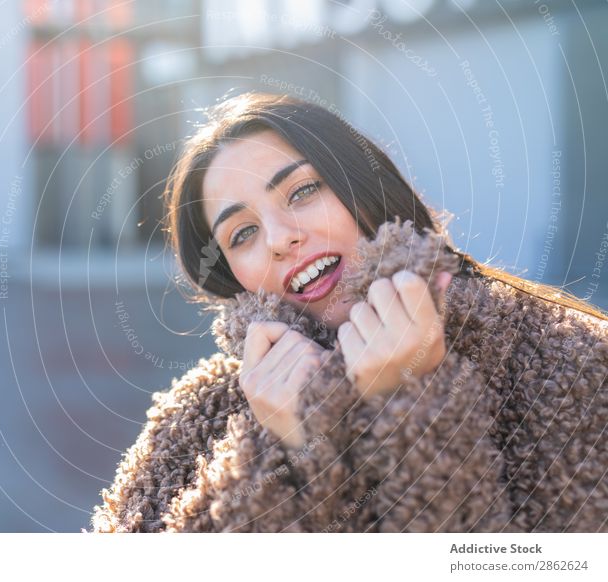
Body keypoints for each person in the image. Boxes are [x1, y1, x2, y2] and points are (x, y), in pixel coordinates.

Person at [91, 92, 608, 533]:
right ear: (232, 276)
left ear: (364, 184)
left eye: (303, 190)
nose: (280, 238)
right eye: (242, 234)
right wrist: (283, 452)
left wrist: (414, 405)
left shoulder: (574, 366)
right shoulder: (198, 422)